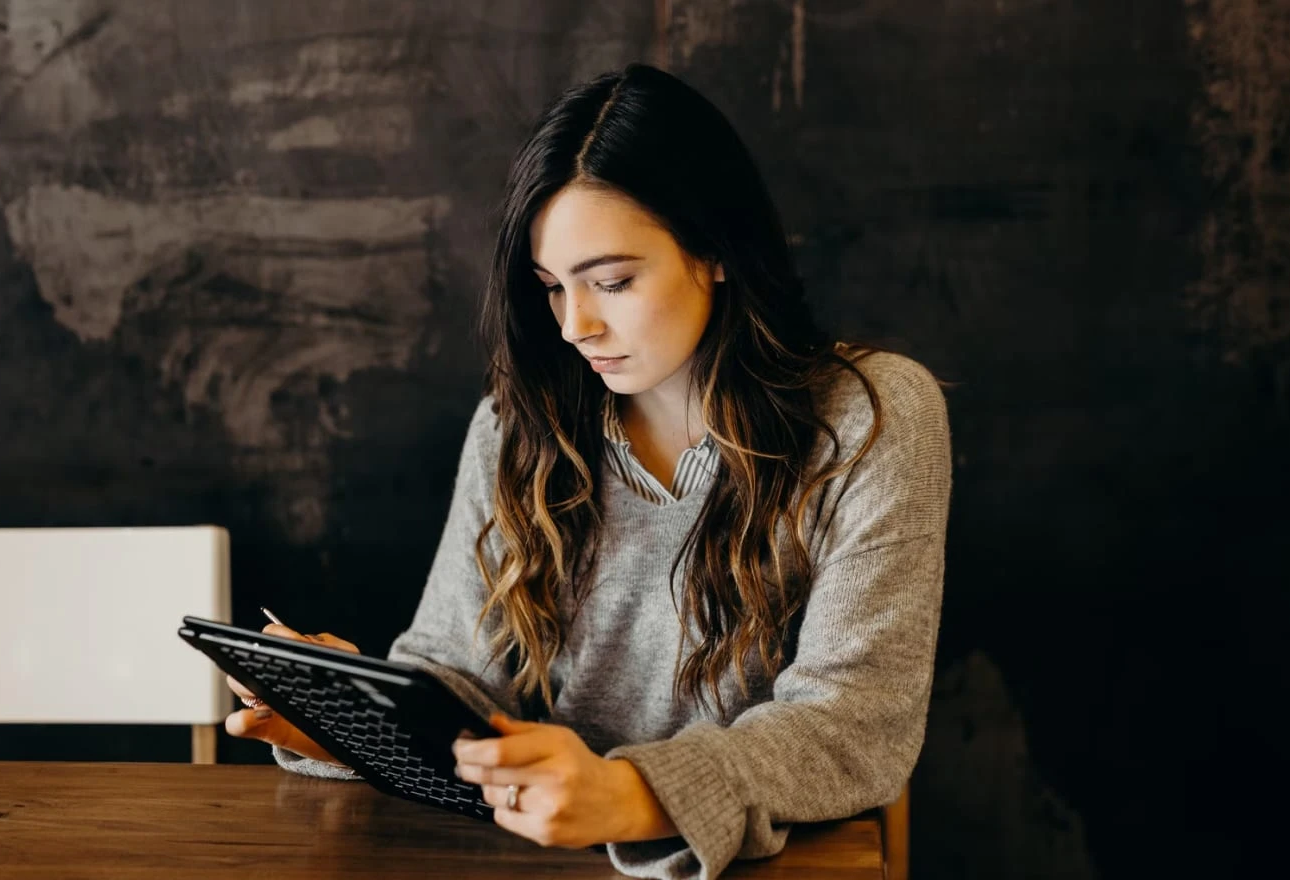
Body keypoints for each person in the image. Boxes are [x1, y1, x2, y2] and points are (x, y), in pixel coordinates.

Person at [224, 62, 951, 880]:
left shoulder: (871, 417)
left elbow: (855, 724)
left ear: (715, 250)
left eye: (613, 281)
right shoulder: (517, 425)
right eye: (551, 289)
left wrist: (631, 794)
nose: (576, 325)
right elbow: (461, 679)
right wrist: (354, 721)